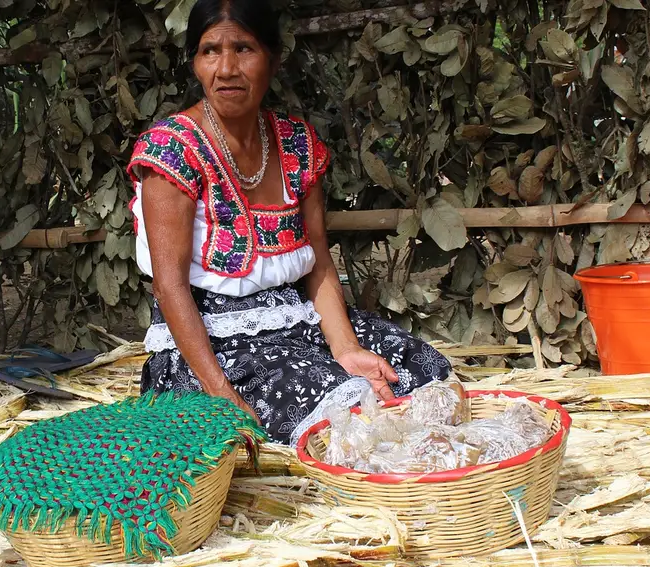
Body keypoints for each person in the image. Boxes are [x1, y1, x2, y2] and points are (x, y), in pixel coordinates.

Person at [125, 0, 453, 445]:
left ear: (273, 59)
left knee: (418, 372)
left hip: (297, 321)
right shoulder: (171, 151)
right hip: (213, 348)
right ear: (194, 63)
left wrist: (346, 348)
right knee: (352, 413)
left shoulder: (297, 144)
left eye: (244, 48)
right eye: (209, 51)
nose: (226, 68)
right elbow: (170, 287)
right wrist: (221, 394)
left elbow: (318, 262)